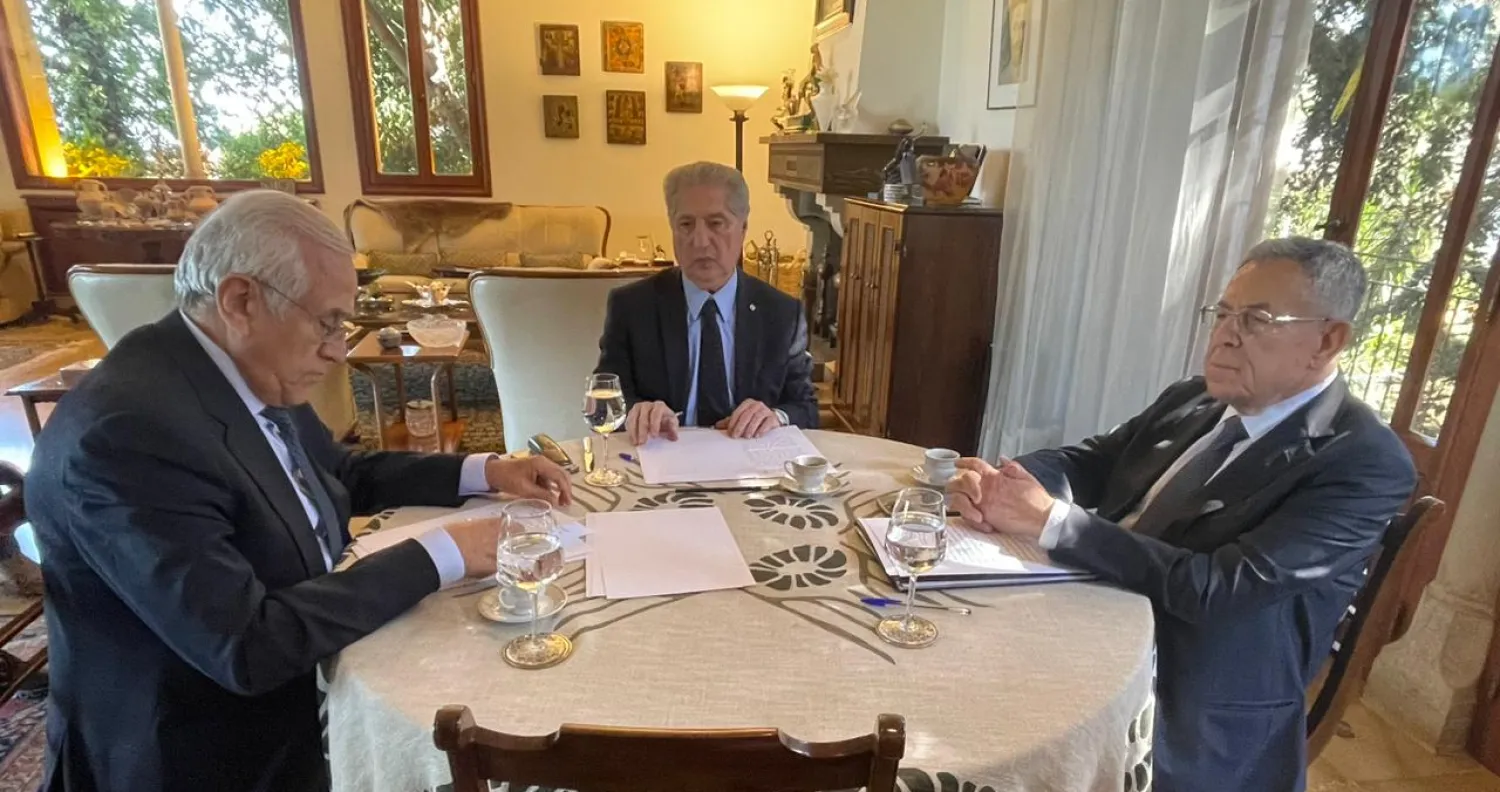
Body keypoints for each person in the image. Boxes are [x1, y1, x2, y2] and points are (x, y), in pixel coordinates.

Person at [26, 190, 573, 792]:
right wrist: (445, 552)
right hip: (205, 755)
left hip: (291, 692)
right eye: (328, 323)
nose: (338, 351)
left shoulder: (236, 367)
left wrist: (485, 471)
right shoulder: (128, 435)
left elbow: (337, 472)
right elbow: (246, 645)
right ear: (241, 300)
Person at [948, 237, 1415, 792]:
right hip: (1085, 611)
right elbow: (1094, 461)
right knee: (937, 655)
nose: (1225, 335)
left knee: (979, 733)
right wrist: (1004, 484)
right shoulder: (1194, 399)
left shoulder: (1363, 462)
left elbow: (1219, 587)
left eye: (1256, 319)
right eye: (1223, 314)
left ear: (1328, 340)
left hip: (1185, 693)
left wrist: (1052, 521)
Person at [595, 161, 817, 445]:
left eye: (716, 223)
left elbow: (806, 407)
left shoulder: (782, 314)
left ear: (743, 229)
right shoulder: (632, 307)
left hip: (750, 462)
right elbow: (605, 401)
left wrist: (777, 416)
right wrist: (637, 411)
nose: (700, 241)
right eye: (686, 224)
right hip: (664, 457)